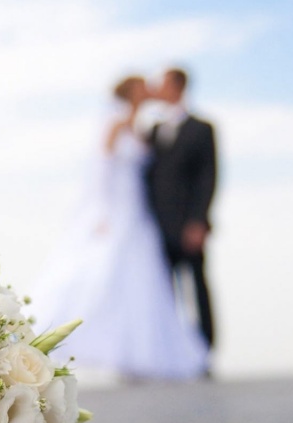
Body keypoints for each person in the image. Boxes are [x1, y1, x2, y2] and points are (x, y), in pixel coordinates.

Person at [29, 75, 208, 381]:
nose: (149, 91)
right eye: (142, 88)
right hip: (117, 210)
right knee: (104, 275)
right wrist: (102, 212)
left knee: (142, 282)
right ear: (129, 94)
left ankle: (138, 355)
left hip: (140, 212)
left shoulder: (143, 128)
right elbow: (100, 170)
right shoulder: (114, 124)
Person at [138, 68, 218, 351]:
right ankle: (170, 352)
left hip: (188, 225)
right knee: (162, 291)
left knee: (197, 287)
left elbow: (208, 177)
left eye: (163, 84)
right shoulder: (154, 131)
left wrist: (199, 221)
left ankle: (206, 350)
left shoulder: (202, 128)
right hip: (156, 226)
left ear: (178, 87)